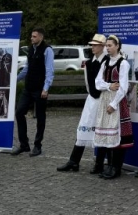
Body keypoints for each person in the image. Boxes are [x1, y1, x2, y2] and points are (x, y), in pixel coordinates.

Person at [57, 33, 107, 173]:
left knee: (101, 131)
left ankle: (99, 164)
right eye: (92, 45)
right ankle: (74, 161)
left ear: (102, 47)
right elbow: (87, 82)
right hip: (92, 99)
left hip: (103, 99)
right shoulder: (89, 62)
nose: (93, 47)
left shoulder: (107, 62)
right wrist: (92, 95)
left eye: (96, 45)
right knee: (83, 127)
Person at [93, 35, 133, 180]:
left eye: (110, 45)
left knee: (118, 135)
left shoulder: (123, 63)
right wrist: (109, 85)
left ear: (117, 46)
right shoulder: (105, 62)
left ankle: (116, 168)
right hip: (105, 99)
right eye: (107, 45)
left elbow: (123, 87)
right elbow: (97, 82)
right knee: (107, 134)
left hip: (117, 102)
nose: (108, 48)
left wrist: (113, 104)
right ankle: (109, 166)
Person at [11, 27, 54, 157]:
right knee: (19, 112)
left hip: (40, 89)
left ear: (41, 37)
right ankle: (24, 144)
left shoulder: (47, 50)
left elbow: (50, 71)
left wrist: (46, 88)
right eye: (31, 36)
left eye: (34, 36)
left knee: (40, 118)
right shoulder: (31, 49)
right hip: (28, 88)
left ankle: (37, 145)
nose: (31, 38)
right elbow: (26, 68)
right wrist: (15, 80)